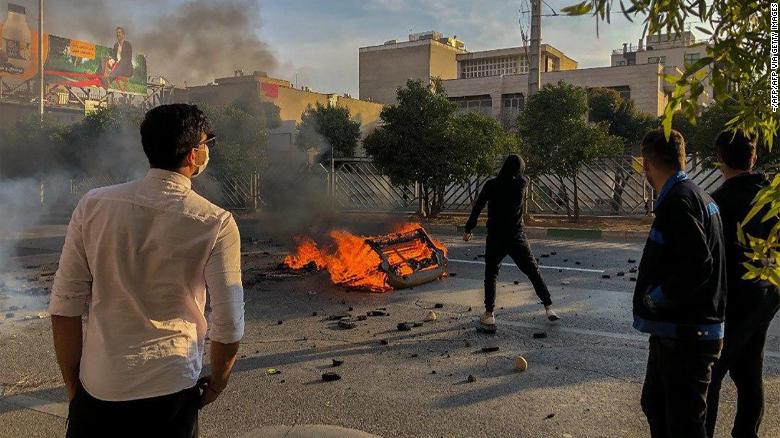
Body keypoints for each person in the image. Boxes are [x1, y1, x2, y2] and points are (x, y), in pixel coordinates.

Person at [49, 104, 244, 437]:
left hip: (99, 389)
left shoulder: (94, 206)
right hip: (171, 391)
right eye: (205, 143)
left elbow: (65, 306)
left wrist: (74, 389)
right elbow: (228, 325)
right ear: (194, 155)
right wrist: (217, 385)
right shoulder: (216, 222)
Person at [633, 128, 726, 438]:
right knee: (655, 404)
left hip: (686, 335)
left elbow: (699, 264)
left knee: (684, 425)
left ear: (647, 165)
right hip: (680, 332)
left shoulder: (678, 201)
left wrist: (655, 298)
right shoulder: (700, 196)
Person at [706, 130, 780, 438]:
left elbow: (712, 261)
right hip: (767, 295)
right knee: (749, 372)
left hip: (735, 299)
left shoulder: (719, 204)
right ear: (754, 158)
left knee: (710, 375)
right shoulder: (771, 198)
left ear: (721, 158)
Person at [463, 154, 558, 329]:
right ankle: (549, 307)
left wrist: (469, 228)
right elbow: (524, 176)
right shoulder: (522, 184)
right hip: (516, 237)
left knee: (491, 274)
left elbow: (477, 207)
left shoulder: (491, 185)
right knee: (533, 272)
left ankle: (489, 314)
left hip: (495, 237)